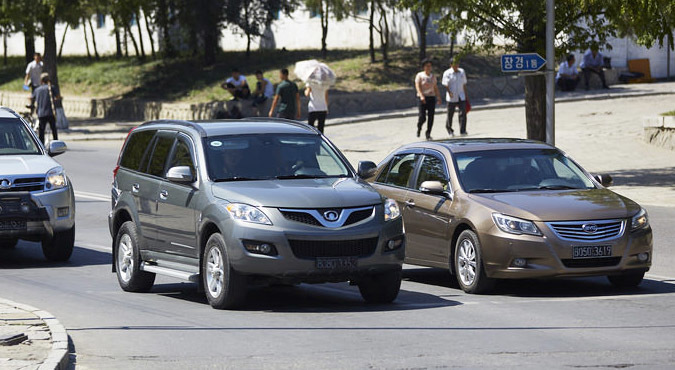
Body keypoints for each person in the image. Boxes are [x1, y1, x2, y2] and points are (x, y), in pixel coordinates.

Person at [414, 59, 441, 140]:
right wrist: (421, 96)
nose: (429, 68)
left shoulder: (433, 76)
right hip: (422, 97)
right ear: (424, 67)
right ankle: (419, 127)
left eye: (430, 66)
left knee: (431, 116)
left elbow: (435, 87)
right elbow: (417, 86)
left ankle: (428, 133)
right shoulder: (420, 75)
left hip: (431, 97)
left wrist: (438, 97)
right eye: (427, 66)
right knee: (422, 116)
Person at [442, 57, 469, 136]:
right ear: (451, 65)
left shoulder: (462, 72)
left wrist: (466, 95)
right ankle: (450, 130)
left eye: (457, 64)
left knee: (463, 113)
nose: (456, 66)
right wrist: (449, 92)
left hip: (461, 95)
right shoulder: (447, 73)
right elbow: (446, 84)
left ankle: (463, 130)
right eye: (454, 64)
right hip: (452, 96)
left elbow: (464, 84)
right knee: (450, 114)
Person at [31, 73, 60, 144]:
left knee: (41, 131)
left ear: (41, 81)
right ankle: (56, 143)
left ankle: (42, 145)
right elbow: (58, 96)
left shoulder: (37, 90)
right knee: (53, 129)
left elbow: (32, 98)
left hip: (41, 113)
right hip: (50, 112)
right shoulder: (52, 88)